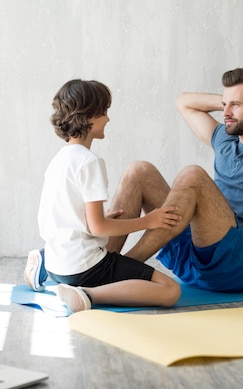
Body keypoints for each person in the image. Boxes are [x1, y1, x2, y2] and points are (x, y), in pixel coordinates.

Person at [104, 67, 243, 292]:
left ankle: (121, 269)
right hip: (195, 254)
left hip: (238, 267)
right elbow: (183, 101)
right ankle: (100, 264)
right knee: (138, 171)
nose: (226, 112)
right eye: (225, 105)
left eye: (236, 105)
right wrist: (231, 101)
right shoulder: (225, 141)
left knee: (193, 176)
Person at [24, 79, 182, 313]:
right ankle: (86, 294)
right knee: (170, 290)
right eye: (104, 112)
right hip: (83, 268)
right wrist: (149, 221)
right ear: (89, 117)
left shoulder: (59, 160)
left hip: (59, 264)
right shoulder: (90, 162)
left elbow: (63, 212)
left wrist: (100, 217)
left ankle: (44, 263)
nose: (108, 118)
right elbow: (97, 228)